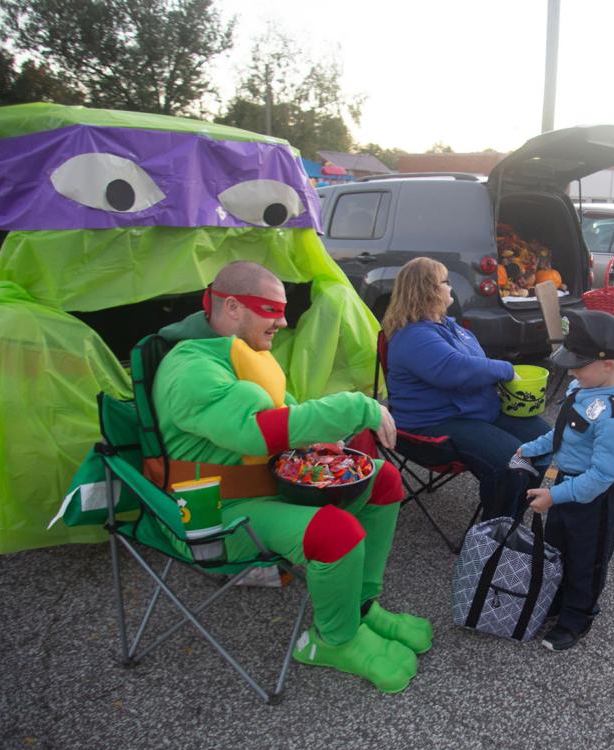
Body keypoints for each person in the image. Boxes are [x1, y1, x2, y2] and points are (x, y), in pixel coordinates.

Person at [152, 260, 429, 694]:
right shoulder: (190, 369)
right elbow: (256, 429)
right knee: (336, 532)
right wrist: (356, 407)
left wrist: (318, 440)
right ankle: (331, 640)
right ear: (231, 306)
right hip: (215, 512)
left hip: (268, 489)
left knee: (383, 480)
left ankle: (358, 605)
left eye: (283, 309)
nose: (283, 321)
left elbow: (284, 408)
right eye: (271, 309)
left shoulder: (238, 354)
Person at [383, 257, 551, 519]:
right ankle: (492, 537)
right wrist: (506, 369)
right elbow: (456, 370)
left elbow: (475, 363)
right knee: (513, 463)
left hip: (474, 410)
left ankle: (511, 517)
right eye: (445, 282)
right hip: (433, 423)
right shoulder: (413, 335)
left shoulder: (447, 325)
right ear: (428, 290)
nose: (450, 287)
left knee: (543, 441)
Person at [518, 309, 614, 651]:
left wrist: (555, 497)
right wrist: (529, 449)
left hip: (594, 498)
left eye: (579, 364)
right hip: (564, 486)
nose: (571, 371)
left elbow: (603, 475)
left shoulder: (613, 417)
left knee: (587, 558)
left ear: (610, 364)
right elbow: (559, 435)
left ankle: (578, 616)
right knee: (558, 548)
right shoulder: (580, 389)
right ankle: (557, 599)